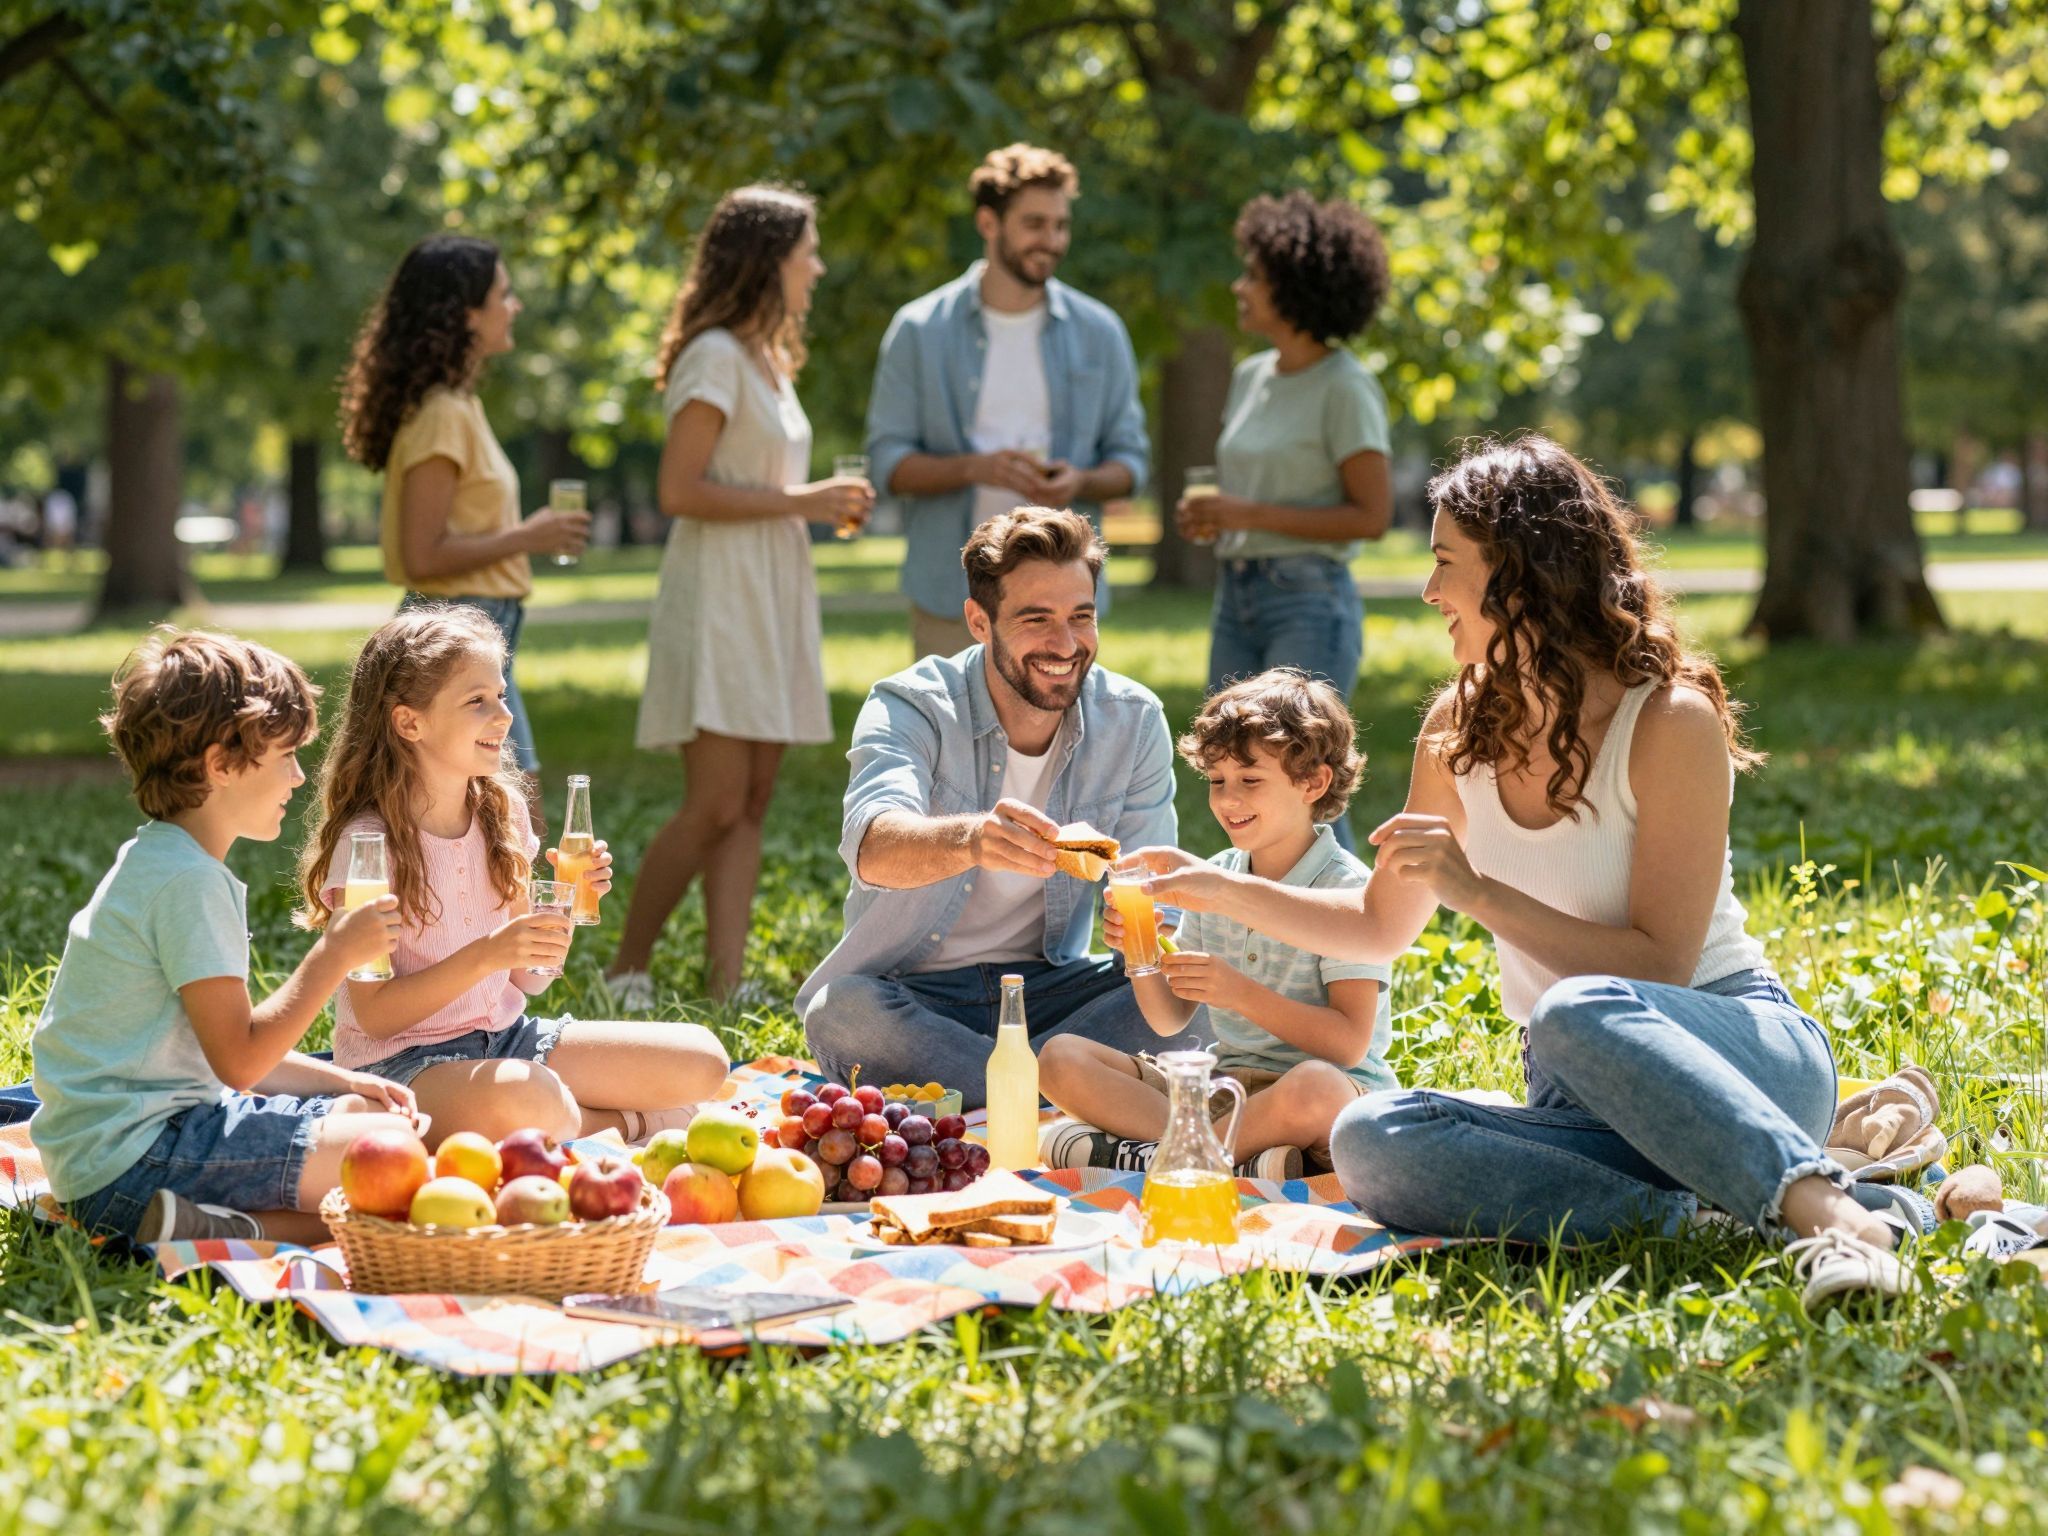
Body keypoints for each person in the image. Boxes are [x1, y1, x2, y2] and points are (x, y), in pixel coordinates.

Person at [1136, 435, 1911, 1300]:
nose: (1430, 591)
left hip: (1732, 1051)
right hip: (1574, 1099)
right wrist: (1214, 886)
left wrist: (1476, 893)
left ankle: (1839, 1219)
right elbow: (1375, 928)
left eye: (1444, 563)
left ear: (1521, 571)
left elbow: (1660, 963)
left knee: (1569, 1009)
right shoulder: (1454, 732)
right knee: (1370, 1137)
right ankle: (1707, 1213)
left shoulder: (1667, 723)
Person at [799, 507, 1203, 1109]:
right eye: (1036, 619)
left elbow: (1157, 912)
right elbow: (872, 844)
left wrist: (1146, 931)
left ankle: (1004, 1092)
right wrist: (971, 841)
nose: (1065, 645)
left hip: (1051, 990)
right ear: (978, 622)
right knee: (843, 1013)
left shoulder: (1133, 718)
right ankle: (1063, 1092)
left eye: (1081, 617)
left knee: (1204, 993)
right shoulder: (910, 705)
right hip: (913, 998)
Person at [30, 630, 412, 1245]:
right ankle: (209, 1231)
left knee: (366, 1122)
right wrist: (334, 954)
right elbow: (240, 1062)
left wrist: (342, 1081)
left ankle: (200, 1226)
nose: (297, 776)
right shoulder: (188, 883)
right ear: (220, 765)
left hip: (115, 1156)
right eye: (285, 755)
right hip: (137, 1163)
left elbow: (220, 1048)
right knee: (390, 1161)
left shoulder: (162, 860)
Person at [297, 607, 729, 1143]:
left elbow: (531, 981)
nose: (503, 715)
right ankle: (625, 1126)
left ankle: (583, 1125)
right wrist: (488, 953)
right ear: (410, 722)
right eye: (476, 701)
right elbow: (376, 1014)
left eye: (501, 695)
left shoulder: (502, 812)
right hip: (402, 1068)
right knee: (527, 1097)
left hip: (508, 1040)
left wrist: (561, 910)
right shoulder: (369, 846)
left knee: (703, 1061)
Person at [606, 186, 872, 1010]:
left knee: (754, 799)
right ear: (768, 261)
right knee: (715, 800)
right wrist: (806, 500)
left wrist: (810, 505)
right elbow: (679, 488)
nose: (817, 267)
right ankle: (626, 968)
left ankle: (726, 982)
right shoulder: (714, 354)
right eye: (807, 252)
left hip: (771, 588)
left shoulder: (767, 359)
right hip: (720, 591)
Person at [1038, 669, 1395, 1179]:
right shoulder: (1215, 877)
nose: (1229, 800)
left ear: (1313, 783)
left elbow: (1348, 1044)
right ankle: (1239, 1157)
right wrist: (1143, 954)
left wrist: (1239, 993)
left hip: (1322, 1090)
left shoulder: (1345, 893)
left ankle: (1173, 1156)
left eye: (1251, 781)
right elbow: (1168, 1020)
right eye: (1217, 781)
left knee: (1314, 1088)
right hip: (1222, 1090)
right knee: (1059, 1058)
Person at [866, 144, 1149, 659]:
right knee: (948, 741)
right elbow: (887, 464)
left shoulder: (1100, 332)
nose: (1052, 240)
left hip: (1066, 604)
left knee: (1064, 742)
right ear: (988, 222)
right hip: (950, 596)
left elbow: (1132, 461)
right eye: (1035, 223)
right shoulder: (919, 330)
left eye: (1061, 225)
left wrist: (1080, 481)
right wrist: (979, 469)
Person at [1177, 192, 1394, 846]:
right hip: (1235, 590)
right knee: (1236, 768)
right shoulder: (1249, 377)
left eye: (1255, 275)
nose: (1240, 287)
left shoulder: (1345, 386)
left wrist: (1245, 512)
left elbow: (1373, 515)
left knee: (1306, 783)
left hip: (1307, 598)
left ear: (1297, 284)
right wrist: (1221, 523)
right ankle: (1257, 928)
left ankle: (1345, 933)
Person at [340, 234, 592, 773]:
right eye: (503, 294)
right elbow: (424, 556)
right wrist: (530, 536)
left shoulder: (459, 406)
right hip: (455, 635)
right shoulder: (441, 415)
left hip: (480, 632)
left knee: (509, 818)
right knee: (512, 817)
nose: (514, 306)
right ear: (466, 314)